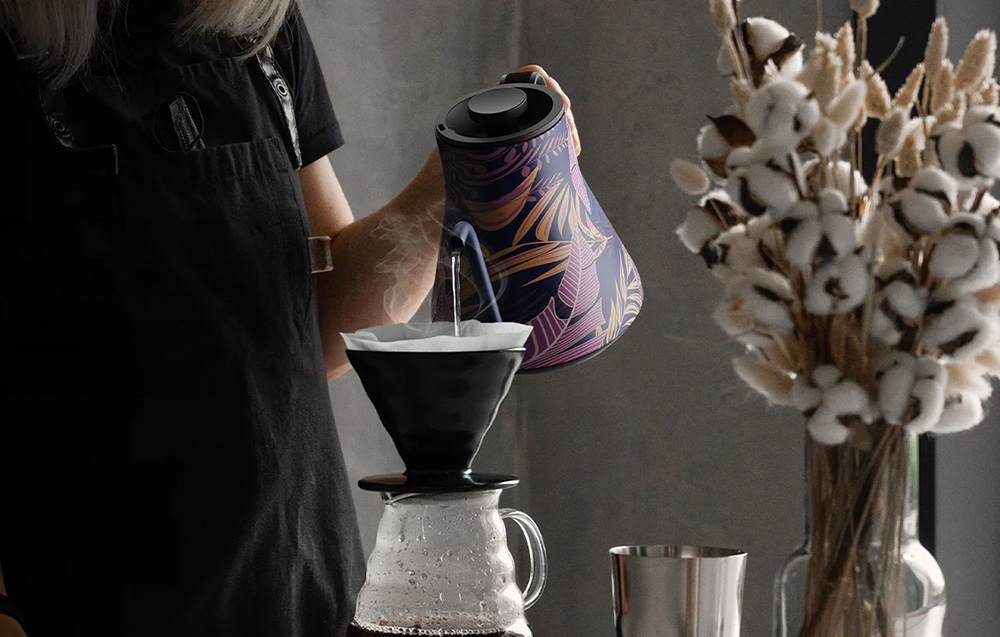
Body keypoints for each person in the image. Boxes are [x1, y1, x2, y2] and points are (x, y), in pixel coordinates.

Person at [0, 1, 580, 635]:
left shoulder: (259, 24)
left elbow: (322, 329)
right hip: (78, 598)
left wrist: (452, 184)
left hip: (300, 586)